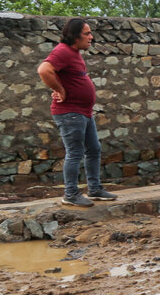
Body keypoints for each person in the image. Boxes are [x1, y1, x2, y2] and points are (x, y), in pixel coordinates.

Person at [37, 19, 117, 207]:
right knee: (75, 152)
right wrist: (60, 90)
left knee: (94, 149)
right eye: (87, 33)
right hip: (70, 112)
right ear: (74, 35)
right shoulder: (62, 51)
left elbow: (68, 76)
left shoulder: (74, 53)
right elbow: (44, 70)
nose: (91, 37)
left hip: (83, 111)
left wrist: (62, 85)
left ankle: (95, 189)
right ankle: (71, 194)